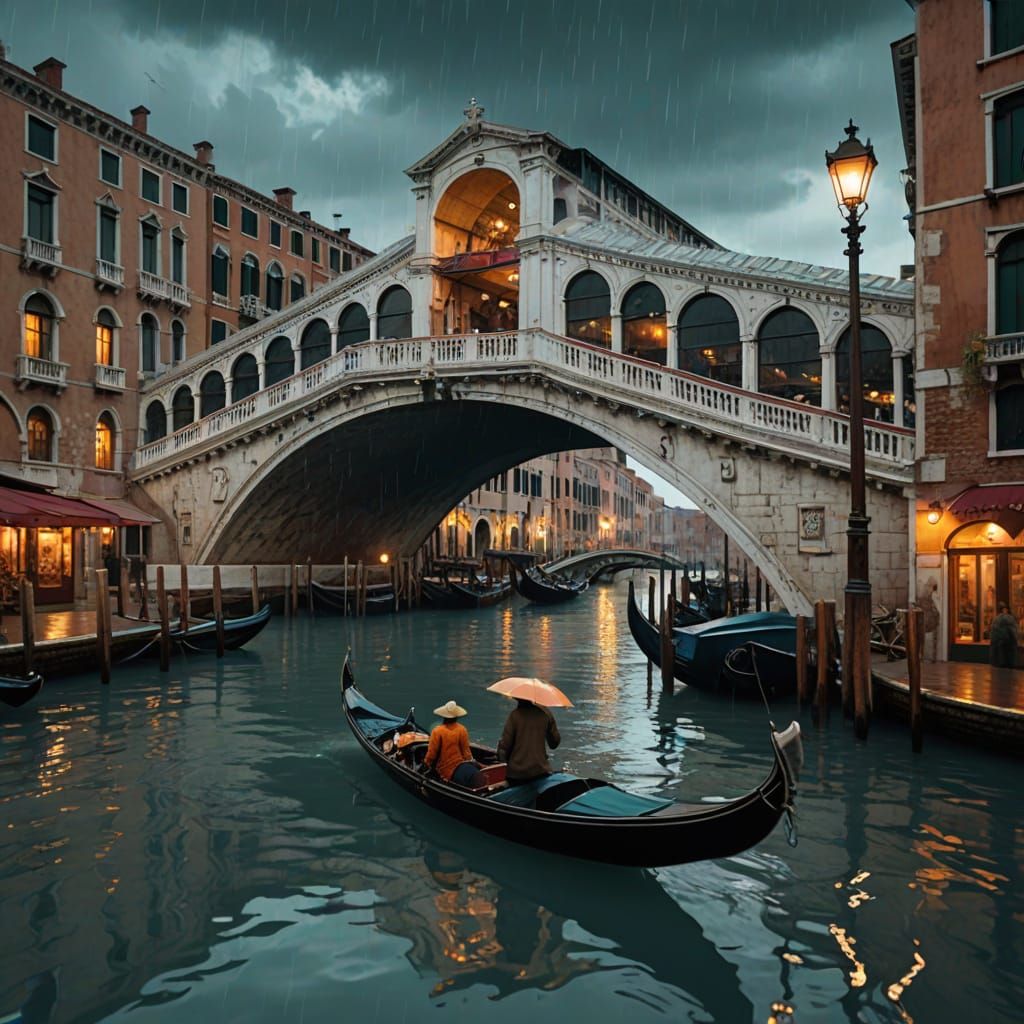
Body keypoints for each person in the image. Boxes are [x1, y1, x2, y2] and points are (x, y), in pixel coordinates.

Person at [497, 699, 561, 784]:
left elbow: (504, 748)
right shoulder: (545, 713)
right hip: (541, 770)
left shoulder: (515, 715)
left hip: (517, 774)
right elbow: (554, 743)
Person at [423, 700, 480, 785]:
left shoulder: (437, 731)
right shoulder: (462, 729)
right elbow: (466, 753)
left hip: (445, 771)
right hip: (462, 765)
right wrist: (471, 762)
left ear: (444, 716)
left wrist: (425, 764)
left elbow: (432, 754)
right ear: (456, 717)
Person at [989, 603, 1020, 668]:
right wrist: (1015, 638)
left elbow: (993, 631)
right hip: (1007, 641)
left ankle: (1001, 664)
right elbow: (1013, 630)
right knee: (1006, 655)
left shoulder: (996, 619)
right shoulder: (1009, 618)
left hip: (999, 641)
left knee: (1001, 655)